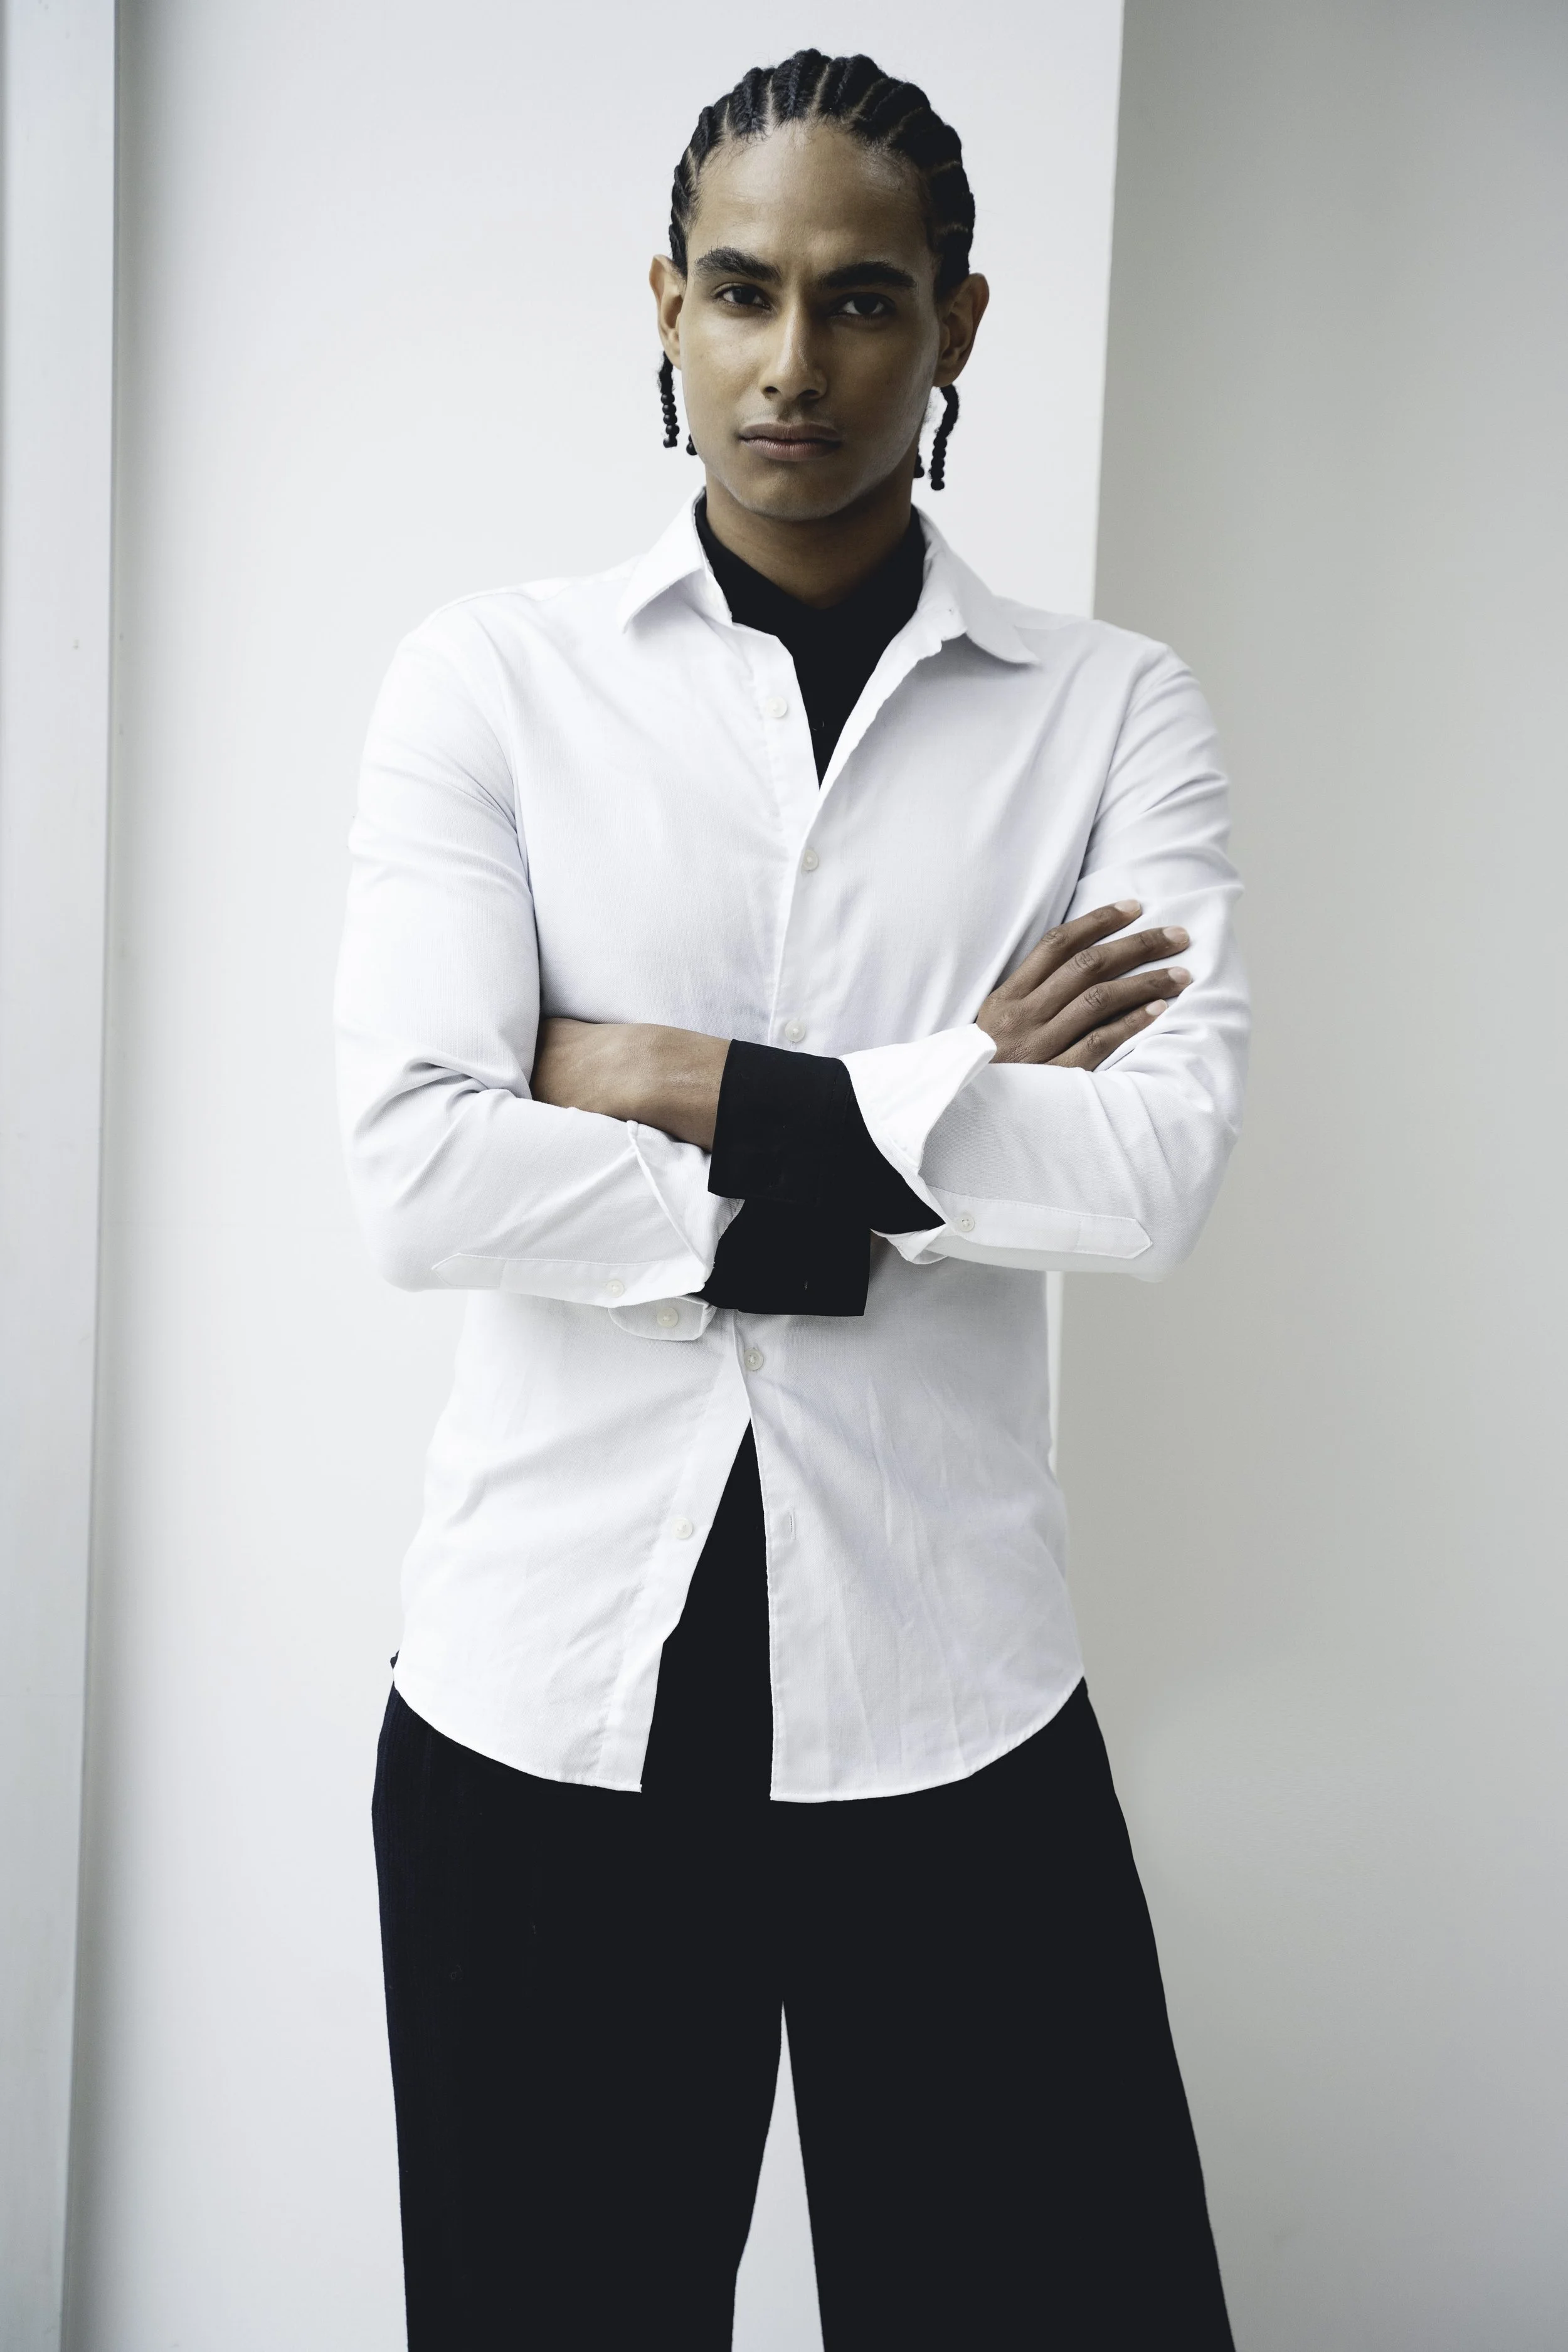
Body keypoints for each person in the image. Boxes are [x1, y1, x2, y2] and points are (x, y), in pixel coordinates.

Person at [336, 47, 1248, 2351]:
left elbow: (1148, 1173)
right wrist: (934, 1119)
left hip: (951, 1702)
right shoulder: (493, 683)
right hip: (544, 1714)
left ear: (955, 324)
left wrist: (665, 1076)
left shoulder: (1109, 713)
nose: (792, 362)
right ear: (665, 303)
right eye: (740, 291)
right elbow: (422, 1169)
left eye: (861, 299)